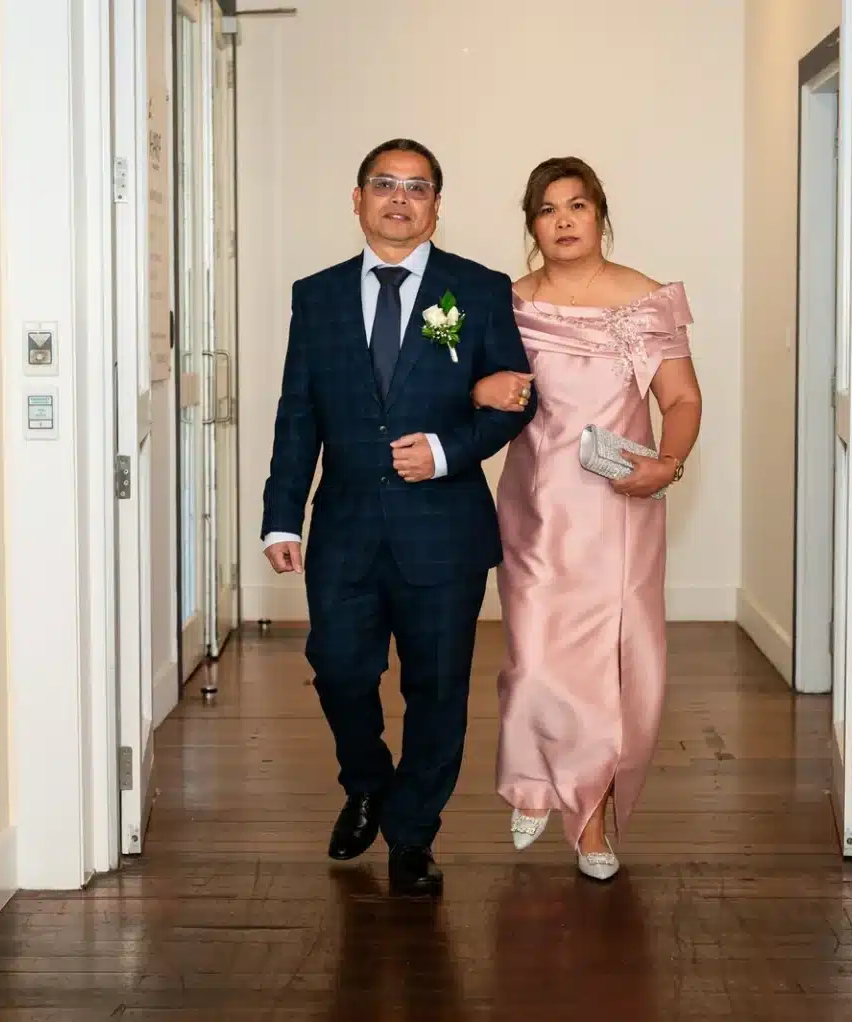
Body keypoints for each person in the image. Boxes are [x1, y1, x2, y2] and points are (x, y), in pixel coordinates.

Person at [260, 138, 537, 896]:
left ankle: (413, 833)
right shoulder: (315, 295)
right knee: (340, 669)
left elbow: (519, 395)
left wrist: (449, 451)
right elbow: (298, 411)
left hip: (442, 529)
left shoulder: (476, 289)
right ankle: (368, 781)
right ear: (357, 198)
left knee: (438, 689)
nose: (399, 198)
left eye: (417, 188)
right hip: (344, 527)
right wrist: (282, 516)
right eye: (384, 184)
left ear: (437, 207)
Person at [471, 156, 703, 880]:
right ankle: (537, 779)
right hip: (536, 507)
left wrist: (668, 463)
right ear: (532, 223)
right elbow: (474, 392)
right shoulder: (507, 303)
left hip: (617, 510)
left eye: (577, 205)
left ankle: (594, 822)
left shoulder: (643, 301)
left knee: (611, 670)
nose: (564, 220)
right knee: (535, 661)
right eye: (548, 208)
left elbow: (683, 400)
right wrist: (481, 387)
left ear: (600, 212)